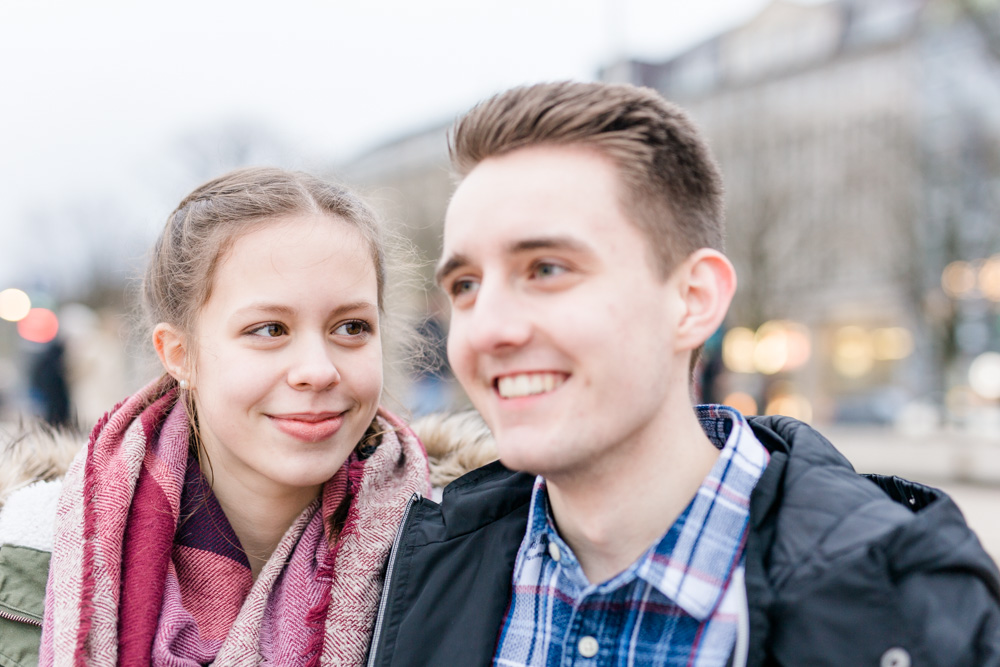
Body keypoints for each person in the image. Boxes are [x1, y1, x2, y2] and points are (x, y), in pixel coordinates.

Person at [366, 82, 1000, 666]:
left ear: (694, 298)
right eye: (467, 286)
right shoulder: (407, 568)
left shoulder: (914, 611)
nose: (489, 328)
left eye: (546, 269)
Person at [0, 167, 430, 666]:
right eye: (269, 329)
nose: (318, 370)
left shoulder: (470, 549)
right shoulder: (31, 557)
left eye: (352, 326)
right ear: (179, 354)